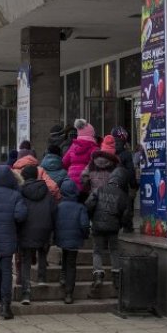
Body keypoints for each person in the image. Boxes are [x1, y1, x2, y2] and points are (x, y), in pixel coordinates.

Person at [0, 165, 27, 319]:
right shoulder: (16, 195)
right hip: (9, 235)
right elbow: (20, 216)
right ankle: (6, 306)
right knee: (6, 269)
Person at [86, 169, 132, 297]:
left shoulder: (99, 190)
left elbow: (89, 204)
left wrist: (92, 219)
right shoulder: (123, 195)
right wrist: (120, 224)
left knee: (97, 251)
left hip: (98, 226)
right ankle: (116, 276)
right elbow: (126, 215)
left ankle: (98, 274)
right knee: (114, 250)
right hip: (113, 227)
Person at [17, 166, 56, 305]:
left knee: (26, 260)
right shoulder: (47, 191)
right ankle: (41, 278)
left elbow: (18, 211)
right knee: (42, 253)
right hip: (45, 227)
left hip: (26, 229)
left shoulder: (20, 191)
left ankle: (26, 293)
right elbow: (53, 210)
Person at [54, 179, 90, 304]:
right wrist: (85, 235)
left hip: (61, 238)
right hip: (75, 238)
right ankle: (69, 293)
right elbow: (85, 225)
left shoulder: (58, 207)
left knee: (65, 254)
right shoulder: (80, 207)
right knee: (71, 264)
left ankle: (63, 277)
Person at [63, 119, 99, 194]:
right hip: (86, 182)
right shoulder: (94, 148)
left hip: (71, 182)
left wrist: (71, 169)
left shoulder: (73, 146)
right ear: (92, 134)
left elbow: (64, 162)